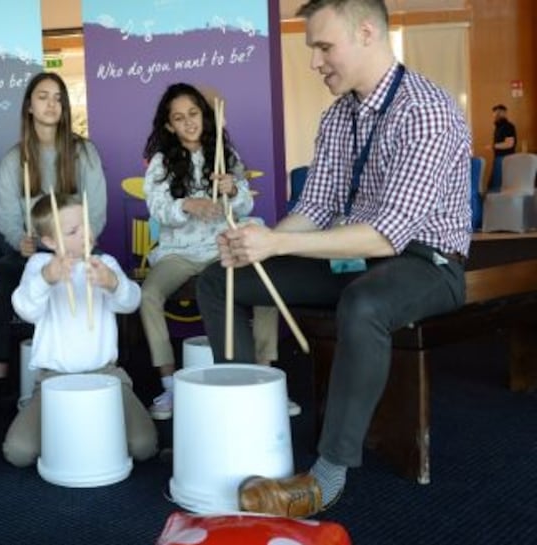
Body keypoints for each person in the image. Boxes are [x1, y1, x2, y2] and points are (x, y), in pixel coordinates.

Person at [196, 0, 471, 518]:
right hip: (355, 254)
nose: (315, 61)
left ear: (367, 33)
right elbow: (317, 207)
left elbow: (389, 234)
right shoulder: (337, 116)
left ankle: (328, 475)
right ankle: (244, 426)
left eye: (324, 46)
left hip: (428, 262)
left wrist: (277, 244)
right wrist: (262, 242)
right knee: (219, 279)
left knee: (364, 304)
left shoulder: (426, 109)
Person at [139, 82, 279, 420]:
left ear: (204, 115)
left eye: (194, 114)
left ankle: (266, 378)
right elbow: (157, 209)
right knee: (148, 295)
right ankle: (169, 385)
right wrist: (188, 204)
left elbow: (244, 204)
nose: (189, 123)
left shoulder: (226, 154)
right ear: (169, 125)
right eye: (179, 118)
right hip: (180, 251)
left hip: (222, 247)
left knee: (265, 285)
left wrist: (233, 189)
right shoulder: (161, 162)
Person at [3, 193, 157, 466]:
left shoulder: (104, 263)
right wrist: (47, 279)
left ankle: (90, 431)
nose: (86, 233)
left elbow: (131, 302)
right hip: (54, 379)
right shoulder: (39, 266)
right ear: (50, 241)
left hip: (107, 376)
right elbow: (25, 308)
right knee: (17, 452)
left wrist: (113, 284)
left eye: (86, 224)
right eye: (73, 231)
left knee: (144, 446)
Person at [0, 72, 108, 406]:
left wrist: (80, 243)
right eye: (43, 96)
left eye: (58, 97)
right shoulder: (15, 159)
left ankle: (101, 361)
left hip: (77, 249)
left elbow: (96, 209)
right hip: (34, 254)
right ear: (29, 106)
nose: (51, 104)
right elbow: (8, 216)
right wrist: (19, 241)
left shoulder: (83, 151)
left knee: (102, 278)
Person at [487, 104, 517, 192]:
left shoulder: (508, 126)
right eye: (494, 114)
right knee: (495, 185)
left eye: (497, 113)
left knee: (496, 186)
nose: (495, 116)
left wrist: (493, 146)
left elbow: (509, 144)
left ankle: (497, 204)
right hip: (499, 158)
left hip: (505, 159)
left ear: (503, 113)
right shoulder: (498, 127)